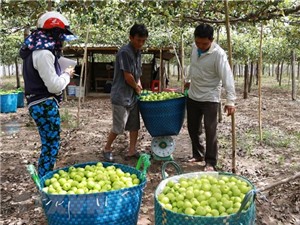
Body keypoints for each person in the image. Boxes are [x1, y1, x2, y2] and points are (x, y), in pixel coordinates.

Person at [19, 11, 77, 178]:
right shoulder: (44, 53)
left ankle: (45, 177)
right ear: (54, 34)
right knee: (51, 146)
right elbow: (53, 86)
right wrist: (67, 74)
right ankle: (45, 181)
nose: (62, 41)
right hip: (44, 104)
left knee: (49, 144)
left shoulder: (34, 51)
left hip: (37, 103)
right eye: (61, 36)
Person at [185, 23, 236, 171]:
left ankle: (211, 162)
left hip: (210, 97)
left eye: (204, 43)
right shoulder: (195, 48)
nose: (200, 46)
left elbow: (227, 77)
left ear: (211, 40)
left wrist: (230, 100)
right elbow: (192, 65)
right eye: (198, 42)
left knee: (210, 129)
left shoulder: (218, 54)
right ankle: (198, 154)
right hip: (194, 95)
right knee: (192, 128)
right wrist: (188, 80)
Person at [103, 24, 148, 162]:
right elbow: (128, 76)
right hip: (121, 96)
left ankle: (132, 150)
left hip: (132, 96)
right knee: (119, 127)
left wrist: (138, 84)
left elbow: (136, 74)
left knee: (134, 125)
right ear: (131, 37)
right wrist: (136, 87)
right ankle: (107, 149)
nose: (141, 43)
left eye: (143, 40)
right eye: (138, 40)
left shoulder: (138, 52)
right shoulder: (124, 52)